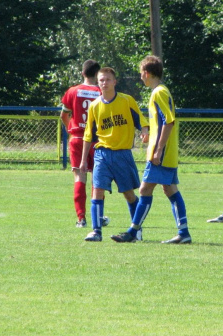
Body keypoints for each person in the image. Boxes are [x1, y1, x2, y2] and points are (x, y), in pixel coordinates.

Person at [111, 55, 192, 244]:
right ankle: (184, 232)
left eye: (141, 74)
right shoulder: (162, 91)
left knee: (145, 189)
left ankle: (133, 231)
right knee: (170, 190)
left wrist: (158, 150)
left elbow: (169, 122)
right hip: (165, 152)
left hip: (161, 153)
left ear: (147, 73)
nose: (140, 77)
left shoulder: (159, 93)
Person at [79, 67, 149, 242]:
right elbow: (88, 135)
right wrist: (82, 161)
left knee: (128, 194)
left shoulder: (126, 101)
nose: (104, 83)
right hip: (101, 153)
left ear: (115, 82)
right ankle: (96, 231)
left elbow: (141, 120)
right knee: (97, 190)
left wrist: (145, 131)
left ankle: (136, 230)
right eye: (101, 80)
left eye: (108, 79)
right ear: (98, 82)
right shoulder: (95, 106)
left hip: (122, 154)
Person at [59, 59, 110, 228]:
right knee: (98, 179)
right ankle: (99, 216)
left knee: (79, 178)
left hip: (77, 139)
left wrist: (70, 129)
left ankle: (81, 218)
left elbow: (64, 116)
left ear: (82, 73)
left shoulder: (73, 91)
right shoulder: (101, 92)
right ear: (97, 75)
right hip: (97, 141)